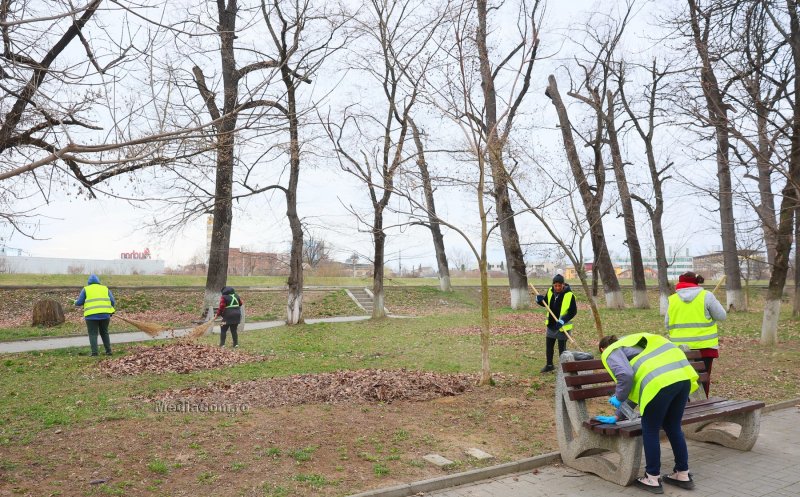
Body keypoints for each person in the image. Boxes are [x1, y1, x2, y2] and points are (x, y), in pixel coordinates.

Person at [594, 333, 699, 494]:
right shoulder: (637, 344)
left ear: (602, 348)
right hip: (682, 378)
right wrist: (617, 416)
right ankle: (682, 474)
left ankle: (652, 477)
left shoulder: (611, 350)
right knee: (673, 426)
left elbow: (625, 375)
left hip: (660, 383)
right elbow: (636, 385)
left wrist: (618, 396)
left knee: (650, 429)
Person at [665, 271, 726, 397]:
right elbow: (721, 316)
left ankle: (684, 408)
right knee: (702, 382)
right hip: (704, 347)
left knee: (683, 381)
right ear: (696, 282)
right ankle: (702, 408)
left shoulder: (673, 299)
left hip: (680, 349)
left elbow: (667, 324)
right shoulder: (706, 296)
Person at [535, 274, 577, 373]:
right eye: (555, 285)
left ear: (563, 285)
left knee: (562, 349)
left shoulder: (569, 295)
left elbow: (573, 312)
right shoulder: (550, 291)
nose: (557, 288)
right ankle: (549, 365)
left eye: (559, 285)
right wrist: (538, 300)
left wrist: (563, 320)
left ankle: (563, 367)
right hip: (551, 324)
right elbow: (545, 302)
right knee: (549, 346)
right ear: (553, 285)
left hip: (562, 327)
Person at [74, 274, 116, 356]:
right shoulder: (105, 288)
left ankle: (94, 353)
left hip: (91, 316)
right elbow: (112, 301)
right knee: (104, 332)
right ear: (98, 281)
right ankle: (109, 351)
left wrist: (75, 302)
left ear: (89, 282)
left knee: (93, 334)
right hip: (105, 315)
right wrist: (110, 310)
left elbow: (79, 303)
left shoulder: (86, 289)